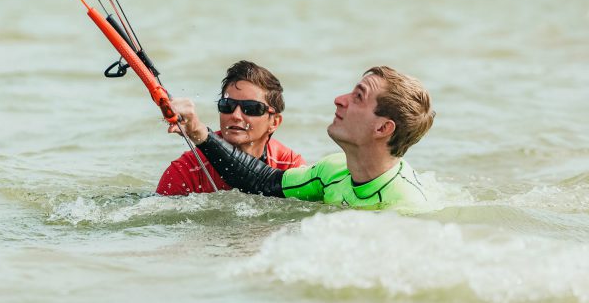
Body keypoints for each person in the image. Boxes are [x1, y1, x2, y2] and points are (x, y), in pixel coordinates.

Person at [168, 66, 435, 211]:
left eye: (357, 97)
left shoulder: (407, 204)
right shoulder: (331, 170)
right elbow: (261, 181)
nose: (339, 100)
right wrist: (199, 133)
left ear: (382, 128)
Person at [157, 61, 306, 195]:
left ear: (274, 122)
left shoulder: (289, 165)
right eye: (227, 105)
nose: (236, 115)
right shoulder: (185, 171)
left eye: (251, 108)